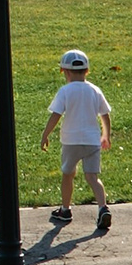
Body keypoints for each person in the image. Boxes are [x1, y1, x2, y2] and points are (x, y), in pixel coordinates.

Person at [41, 49, 111, 233]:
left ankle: (65, 210)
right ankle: (103, 207)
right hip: (91, 141)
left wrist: (45, 134)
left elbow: (56, 115)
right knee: (92, 177)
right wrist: (106, 135)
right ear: (87, 71)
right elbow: (105, 114)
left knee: (68, 174)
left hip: (71, 141)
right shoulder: (95, 90)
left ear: (65, 71)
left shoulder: (65, 91)